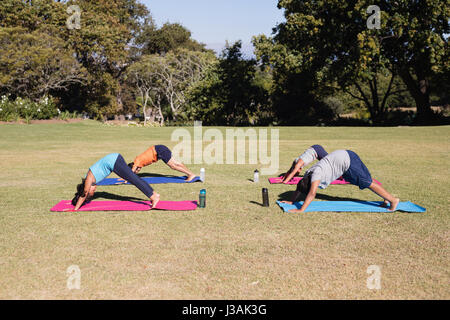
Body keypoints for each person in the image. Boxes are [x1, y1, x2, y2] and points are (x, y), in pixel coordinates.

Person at [281, 150, 399, 212]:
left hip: (348, 161)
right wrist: (292, 201)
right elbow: (299, 187)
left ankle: (393, 200)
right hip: (343, 160)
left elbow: (312, 193)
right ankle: (385, 198)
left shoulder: (315, 175)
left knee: (367, 182)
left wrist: (301, 209)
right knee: (363, 180)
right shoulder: (307, 174)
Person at [71, 153, 160, 210]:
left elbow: (84, 193)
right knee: (133, 178)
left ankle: (153, 196)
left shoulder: (88, 179)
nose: (93, 192)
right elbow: (84, 193)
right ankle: (153, 194)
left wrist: (75, 209)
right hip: (114, 160)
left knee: (134, 179)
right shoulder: (90, 178)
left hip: (113, 161)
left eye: (91, 192)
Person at [129, 145, 196, 181]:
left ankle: (190, 174)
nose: (137, 172)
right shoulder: (138, 161)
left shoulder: (137, 161)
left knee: (173, 166)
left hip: (159, 151)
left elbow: (131, 172)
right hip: (159, 149)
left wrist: (127, 177)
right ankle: (191, 174)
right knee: (176, 163)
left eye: (136, 172)